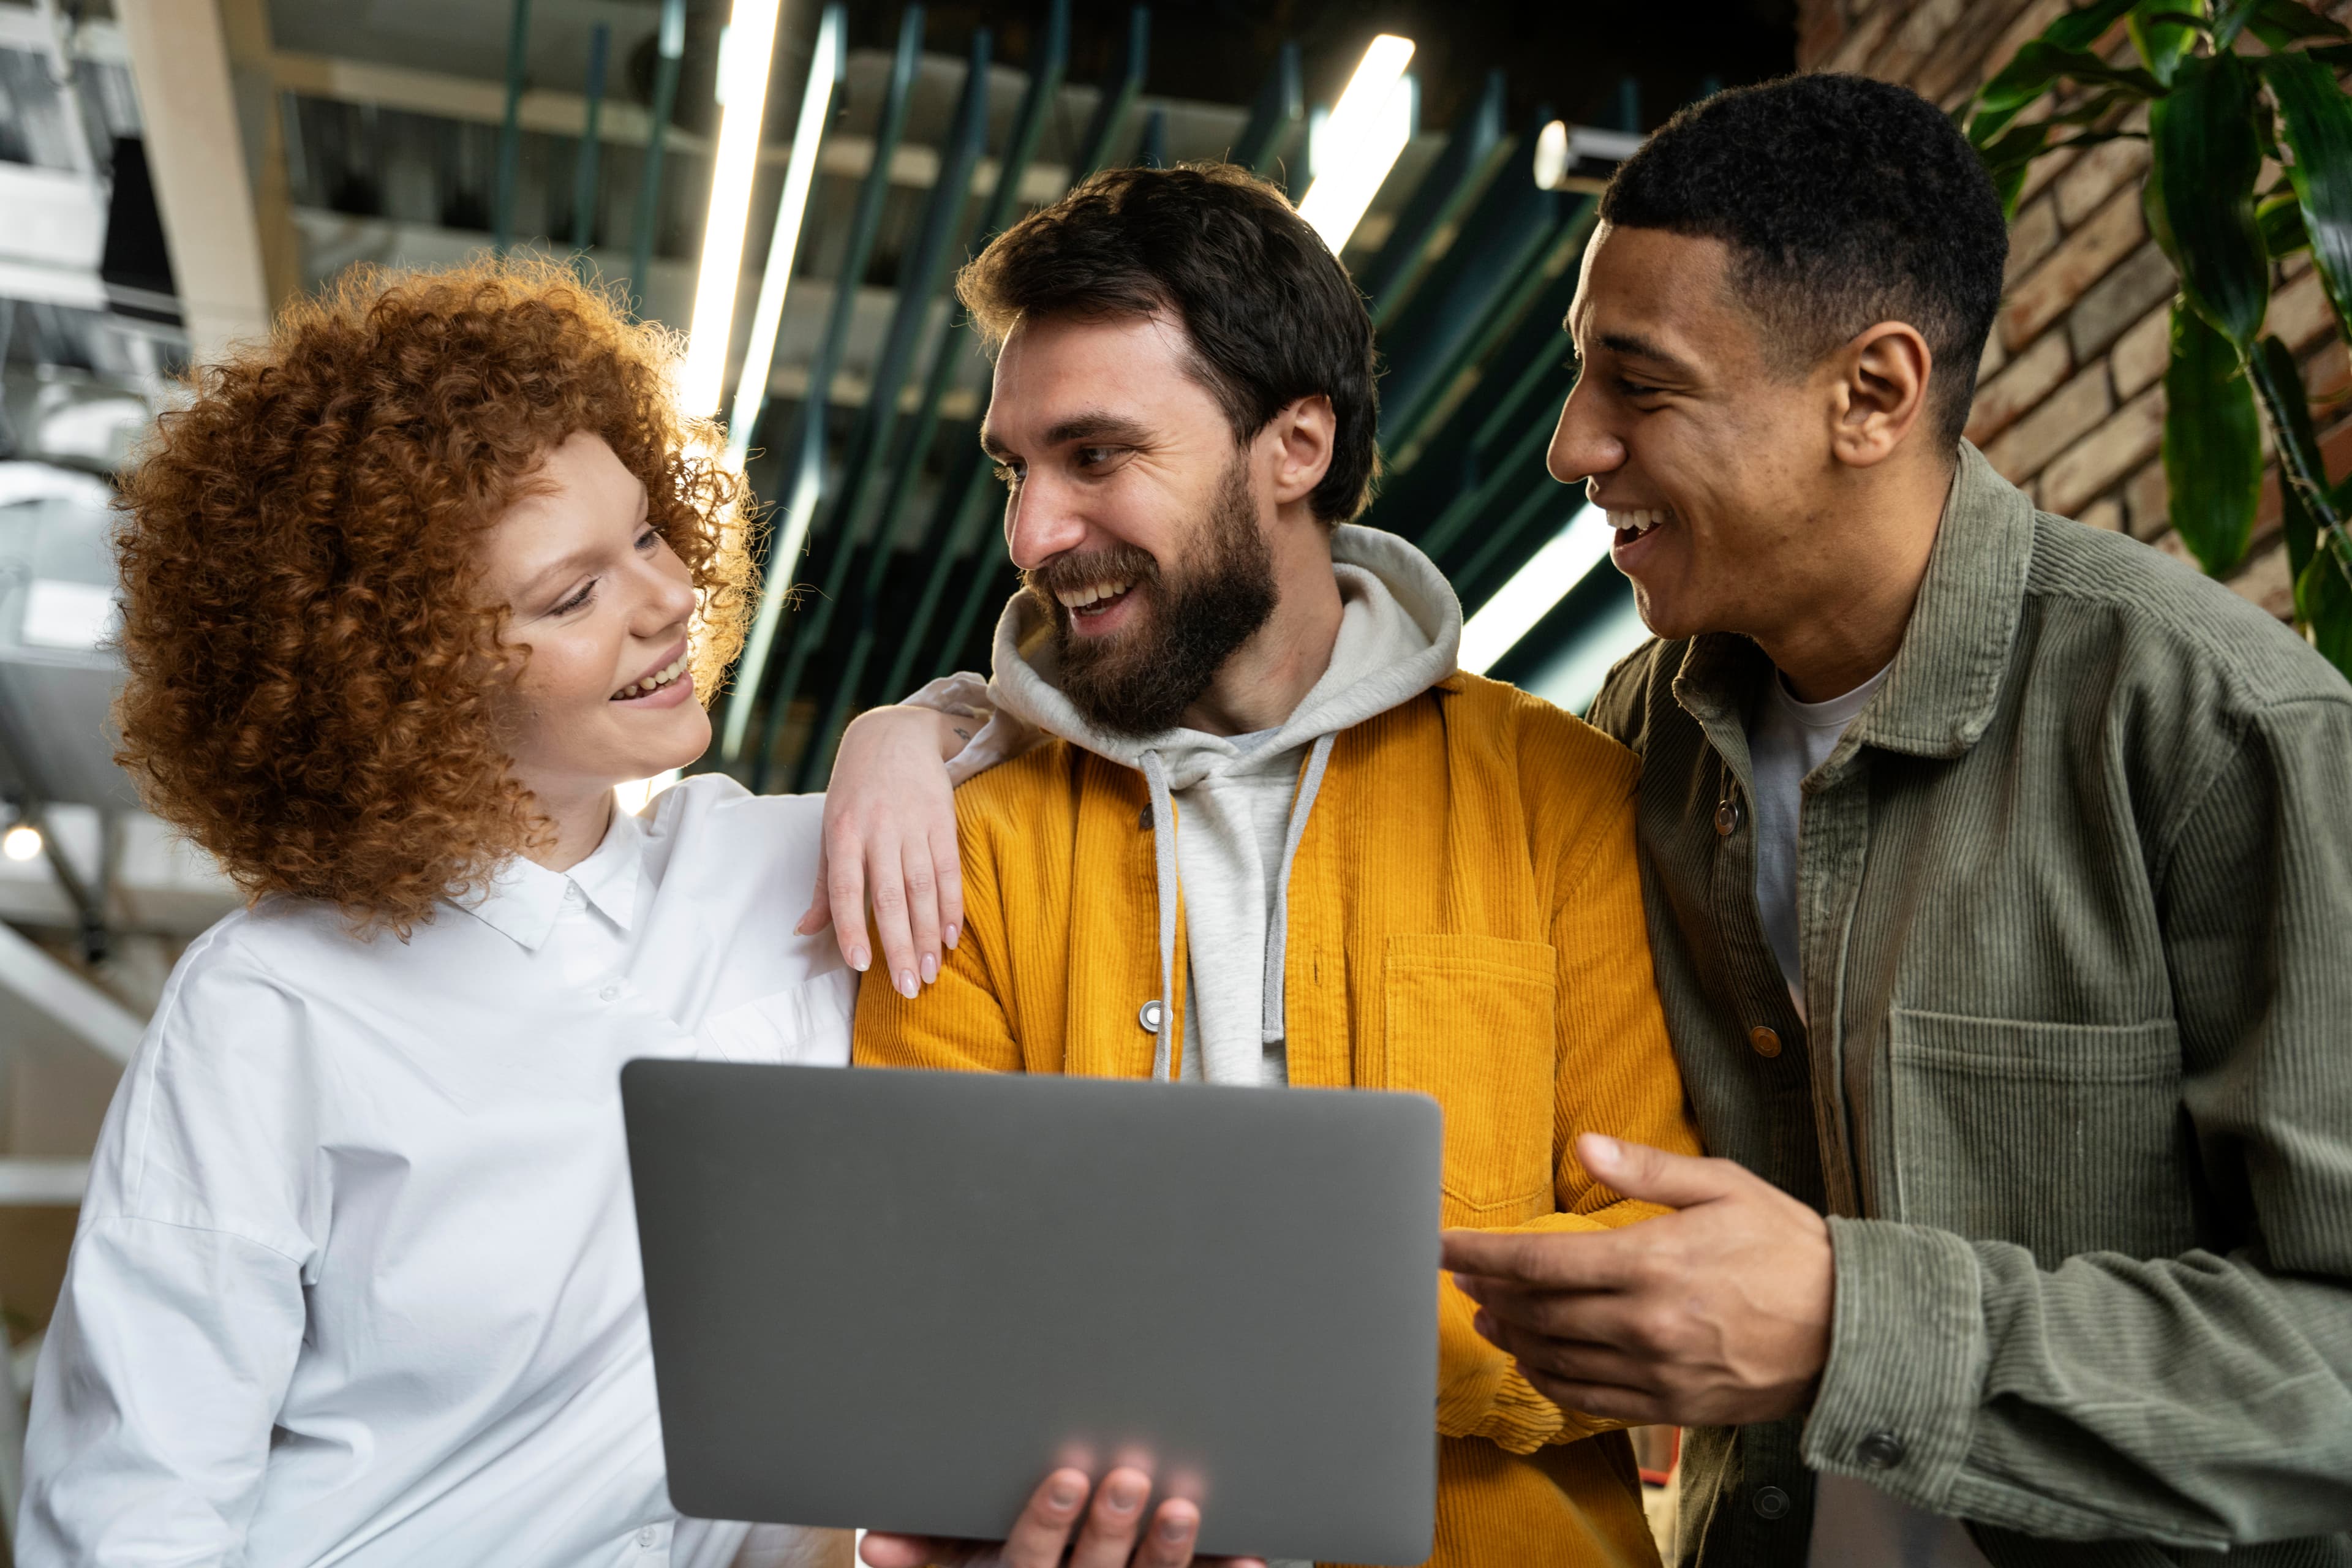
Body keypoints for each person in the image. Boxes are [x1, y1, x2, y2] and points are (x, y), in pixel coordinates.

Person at [19, 258, 1227, 1568]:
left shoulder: (789, 865)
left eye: (647, 532)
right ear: (400, 678)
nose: (665, 599)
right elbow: (131, 1507)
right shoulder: (268, 1004)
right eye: (571, 592)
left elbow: (1109, 746)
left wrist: (908, 724)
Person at [1439, 73, 2352, 1565]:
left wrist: (1856, 1328)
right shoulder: (1636, 742)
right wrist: (948, 723)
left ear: (1873, 392)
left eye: (1641, 382)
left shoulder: (2214, 727)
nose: (1572, 444)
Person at [853, 163, 1701, 1568]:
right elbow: (930, 1305)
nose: (1031, 533)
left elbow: (1650, 1278)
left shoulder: (1561, 796)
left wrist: (1273, 1328)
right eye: (1018, 468)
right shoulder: (972, 840)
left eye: (1099, 454)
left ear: (1294, 443)